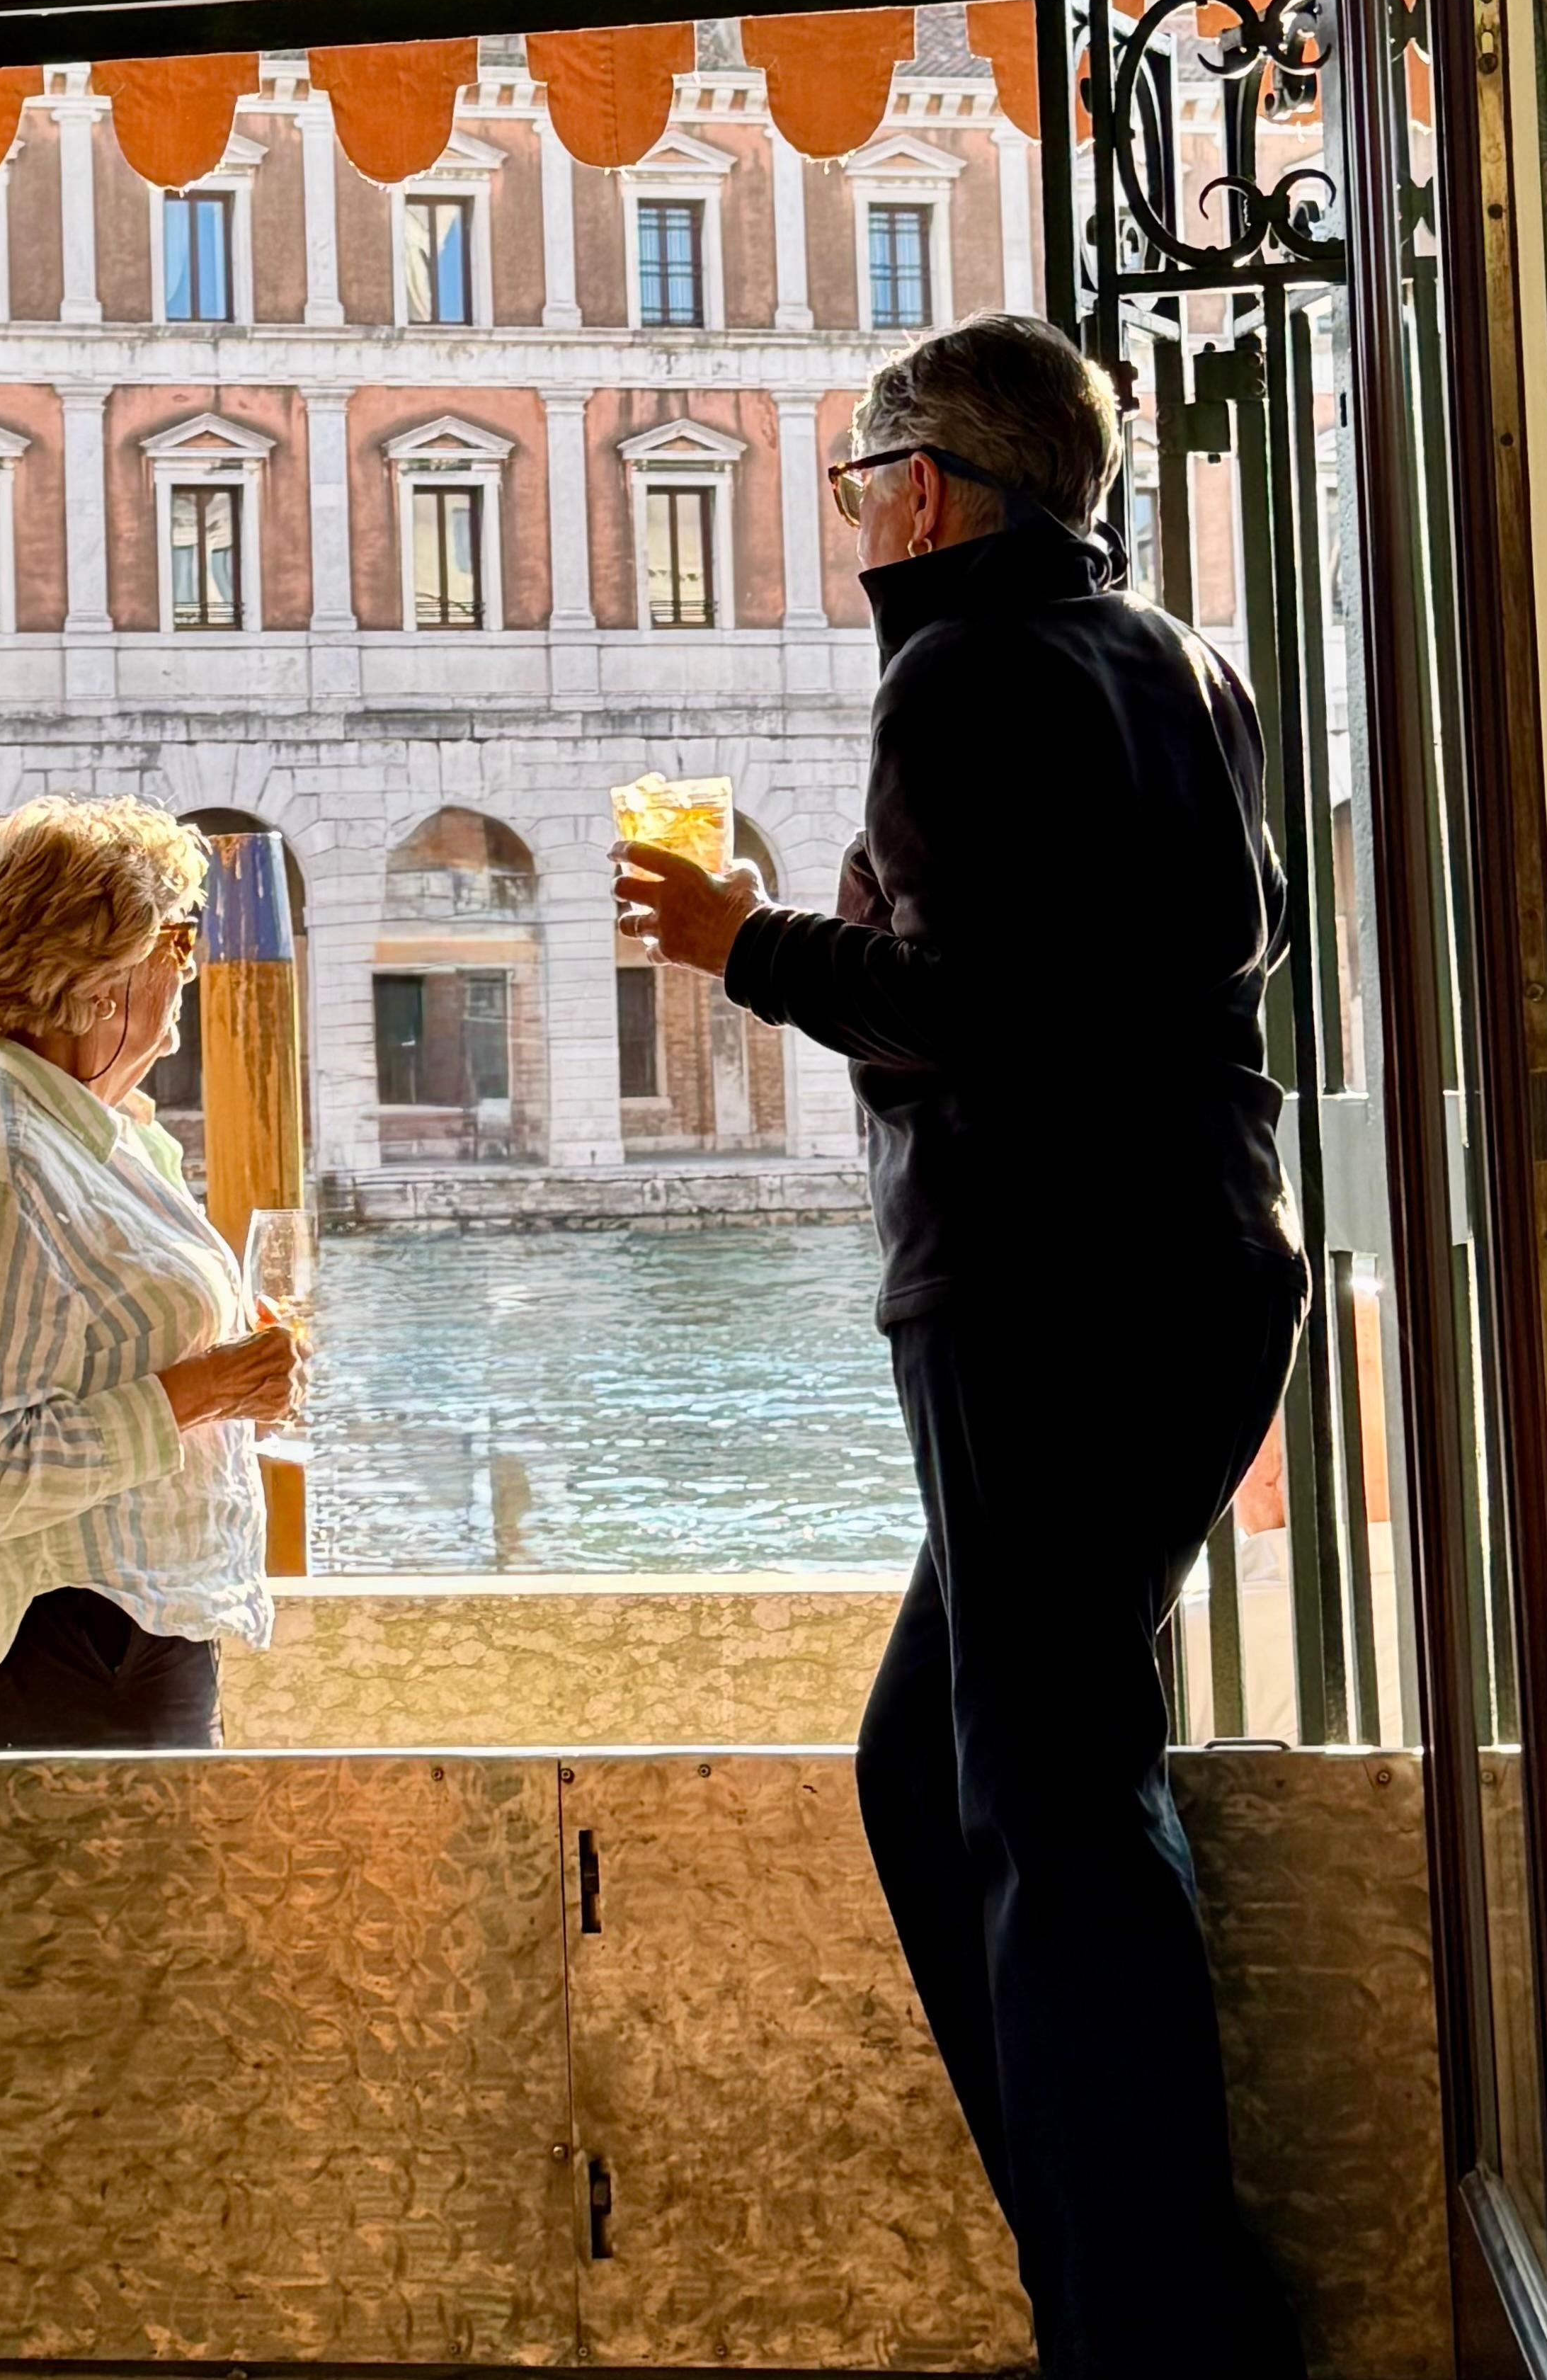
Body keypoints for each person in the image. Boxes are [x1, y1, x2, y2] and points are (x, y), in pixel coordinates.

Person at [612, 312, 1309, 2380]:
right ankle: (1123, 2285)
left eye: (849, 484)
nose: (846, 527)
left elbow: (962, 1005)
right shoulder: (1179, 659)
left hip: (1041, 1285)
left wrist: (735, 937)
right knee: (932, 1771)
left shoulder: (958, 672)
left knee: (1055, 1804)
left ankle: (1156, 2334)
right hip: (1196, 1267)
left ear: (919, 487)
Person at [0, 795, 297, 1753]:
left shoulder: (63, 1129)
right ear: (99, 983)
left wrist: (216, 1368)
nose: (187, 971)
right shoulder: (7, 1160)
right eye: (176, 943)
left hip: (105, 1639)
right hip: (70, 1654)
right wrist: (201, 1389)